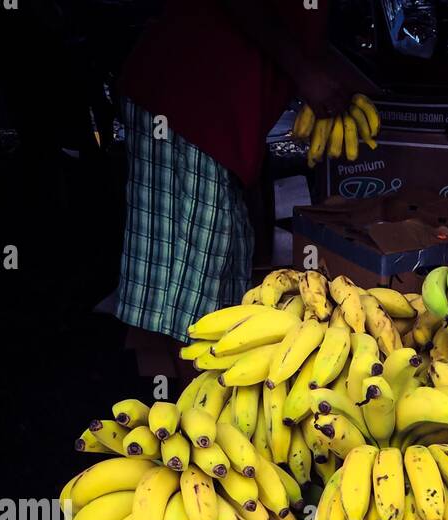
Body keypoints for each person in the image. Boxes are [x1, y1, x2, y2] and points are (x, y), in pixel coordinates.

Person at [115, 0, 369, 350]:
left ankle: (208, 385)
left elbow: (306, 37)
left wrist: (345, 82)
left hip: (221, 118)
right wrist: (305, 73)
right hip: (189, 107)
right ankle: (186, 399)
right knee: (193, 293)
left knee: (223, 270)